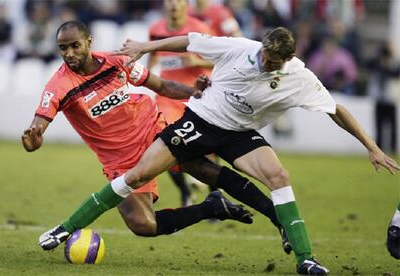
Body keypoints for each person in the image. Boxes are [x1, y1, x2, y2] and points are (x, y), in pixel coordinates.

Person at [111, 27, 400, 274]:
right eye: (264, 55)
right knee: (147, 174)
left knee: (278, 175)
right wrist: (145, 46)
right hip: (202, 121)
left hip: (238, 134)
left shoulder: (300, 78)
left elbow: (336, 110)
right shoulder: (241, 48)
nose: (265, 62)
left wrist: (371, 147)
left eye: (272, 62)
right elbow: (190, 40)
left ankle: (305, 258)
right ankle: (70, 226)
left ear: (287, 60)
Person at [26, 21, 291, 254]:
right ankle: (212, 207)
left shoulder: (117, 61)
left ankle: (278, 217)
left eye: (75, 45)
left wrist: (194, 92)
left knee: (203, 168)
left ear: (88, 42)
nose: (69, 54)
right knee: (143, 225)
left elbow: (162, 86)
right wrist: (34, 138)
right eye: (63, 48)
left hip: (154, 131)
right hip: (120, 160)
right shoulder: (58, 85)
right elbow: (39, 124)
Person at [149, 0, 215, 207]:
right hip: (169, 95)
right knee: (163, 141)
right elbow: (153, 55)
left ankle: (215, 195)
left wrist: (198, 62)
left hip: (197, 96)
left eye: (178, 1)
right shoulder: (156, 29)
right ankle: (185, 192)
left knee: (210, 147)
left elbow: (221, 58)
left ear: (186, 5)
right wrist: (148, 79)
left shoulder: (199, 29)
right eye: (169, 1)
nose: (173, 5)